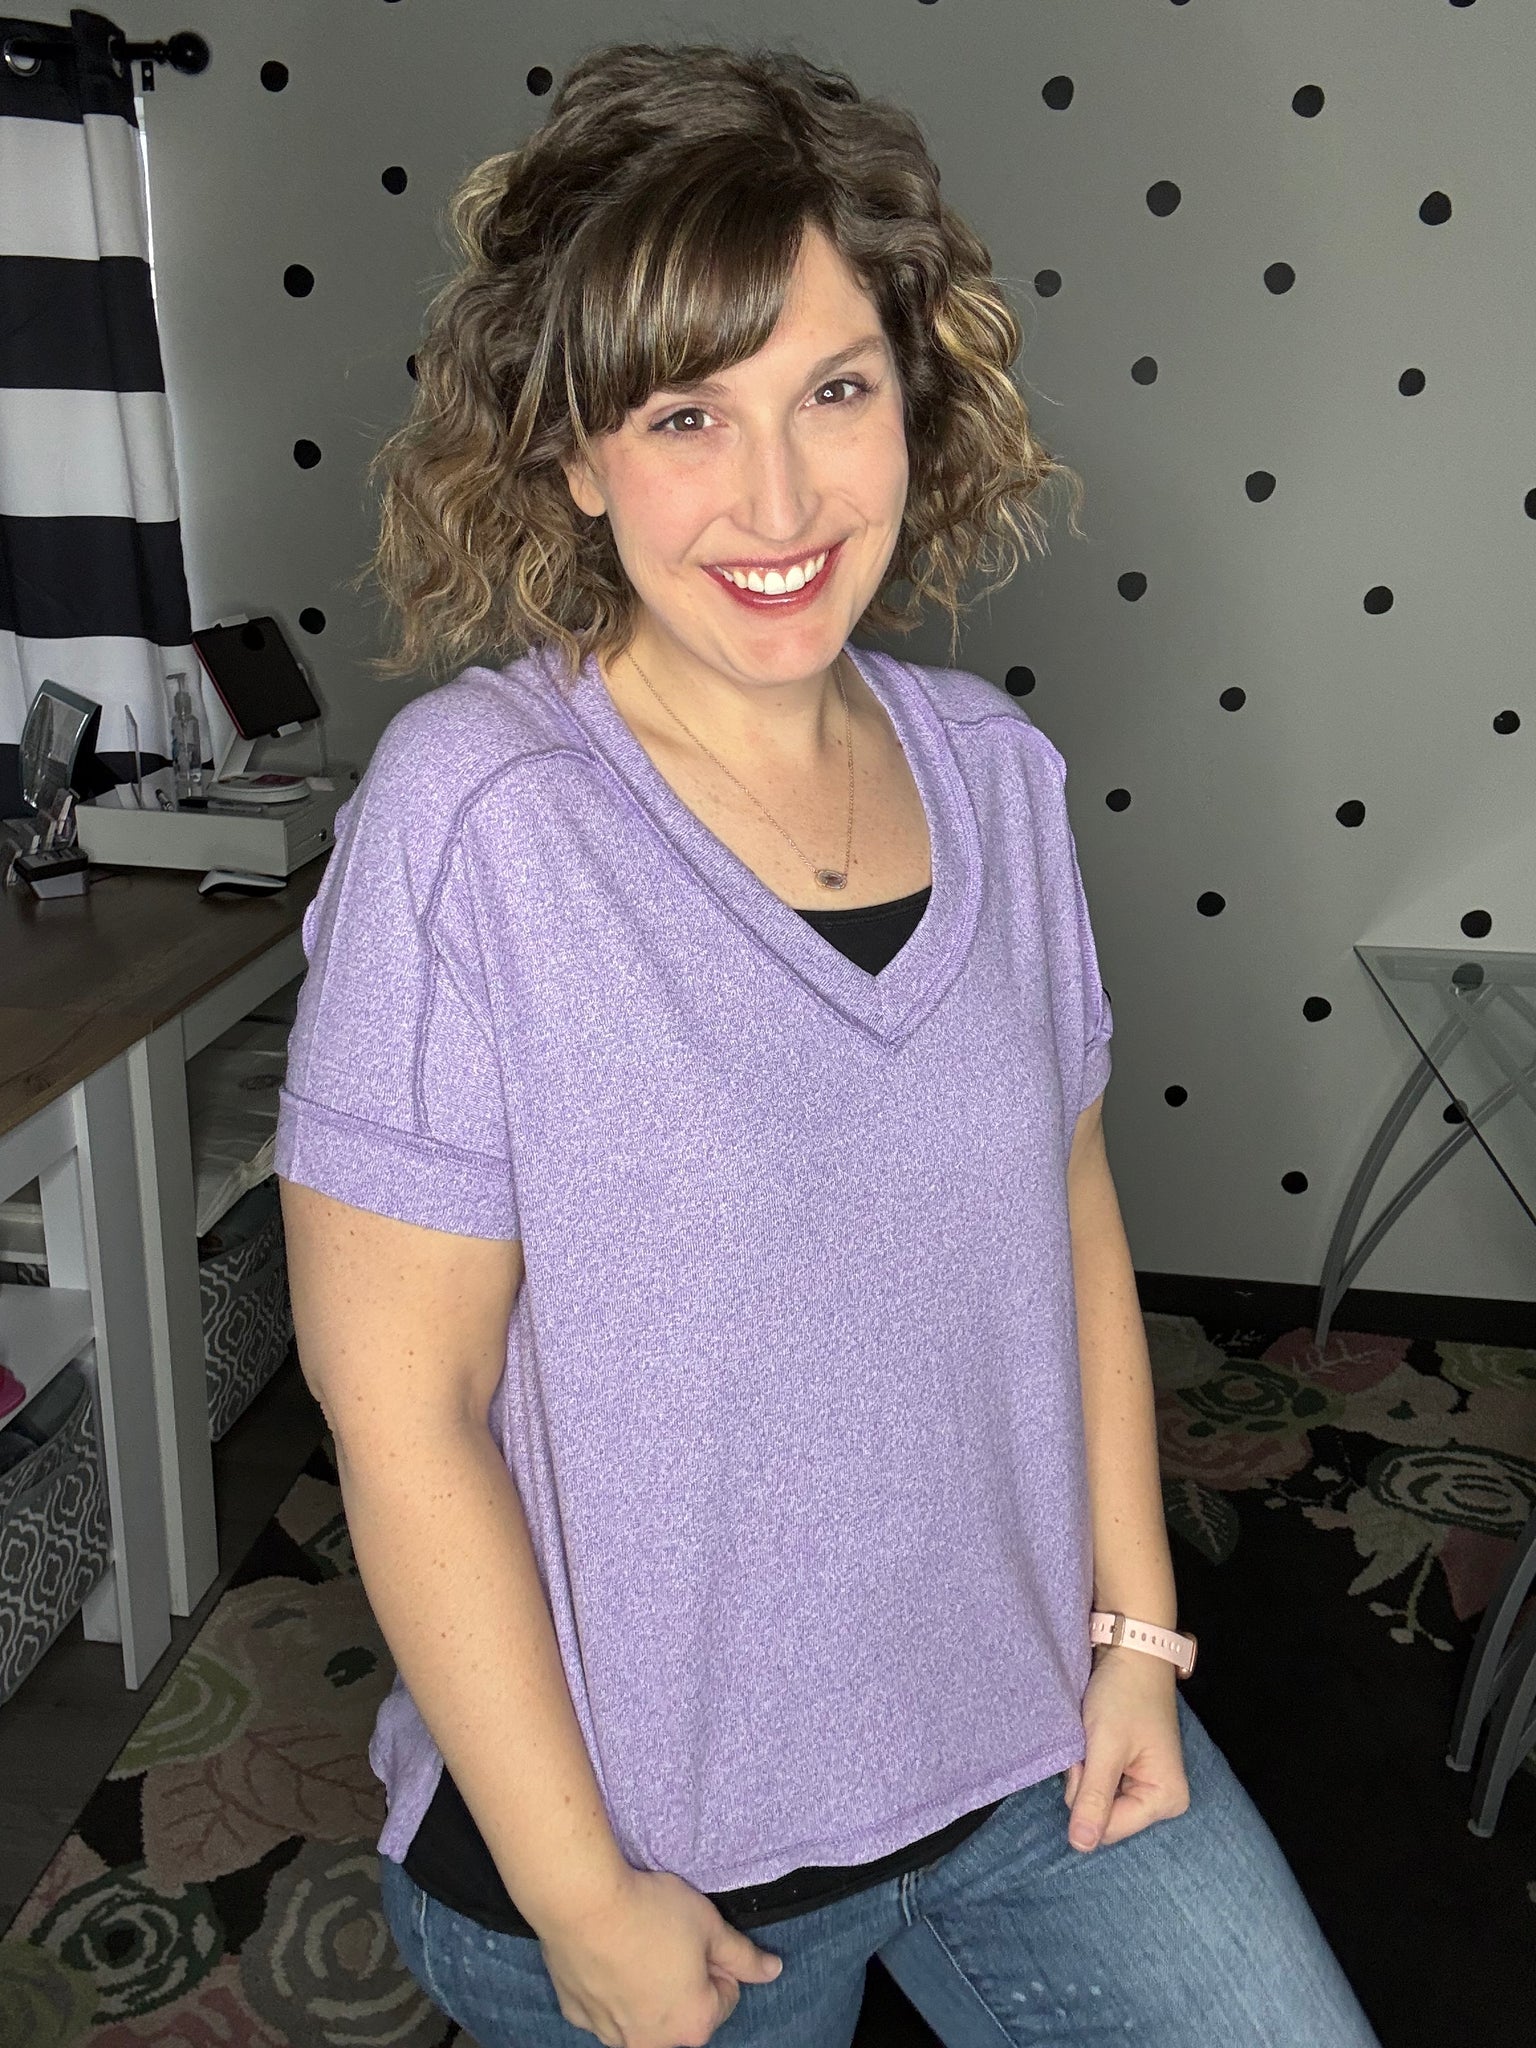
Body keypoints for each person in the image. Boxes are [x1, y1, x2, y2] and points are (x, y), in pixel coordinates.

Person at [275, 39, 1383, 2048]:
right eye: (685, 414)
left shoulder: (1000, 778)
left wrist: (1137, 1636)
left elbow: (1071, 1226)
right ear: (571, 456)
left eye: (835, 393)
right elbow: (404, 1409)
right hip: (653, 1850)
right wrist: (582, 1898)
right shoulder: (476, 819)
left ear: (918, 400)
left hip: (1033, 1751)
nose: (777, 501)